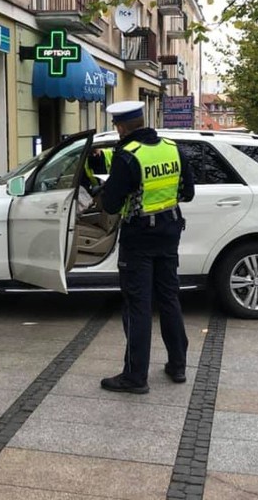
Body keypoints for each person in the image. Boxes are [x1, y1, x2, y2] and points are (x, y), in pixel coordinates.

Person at [97, 100, 195, 394]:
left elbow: (112, 203)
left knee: (138, 306)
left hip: (138, 237)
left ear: (122, 127)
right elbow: (187, 193)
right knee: (169, 299)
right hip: (169, 232)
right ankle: (177, 365)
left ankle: (135, 376)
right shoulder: (171, 148)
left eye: (116, 127)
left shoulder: (127, 156)